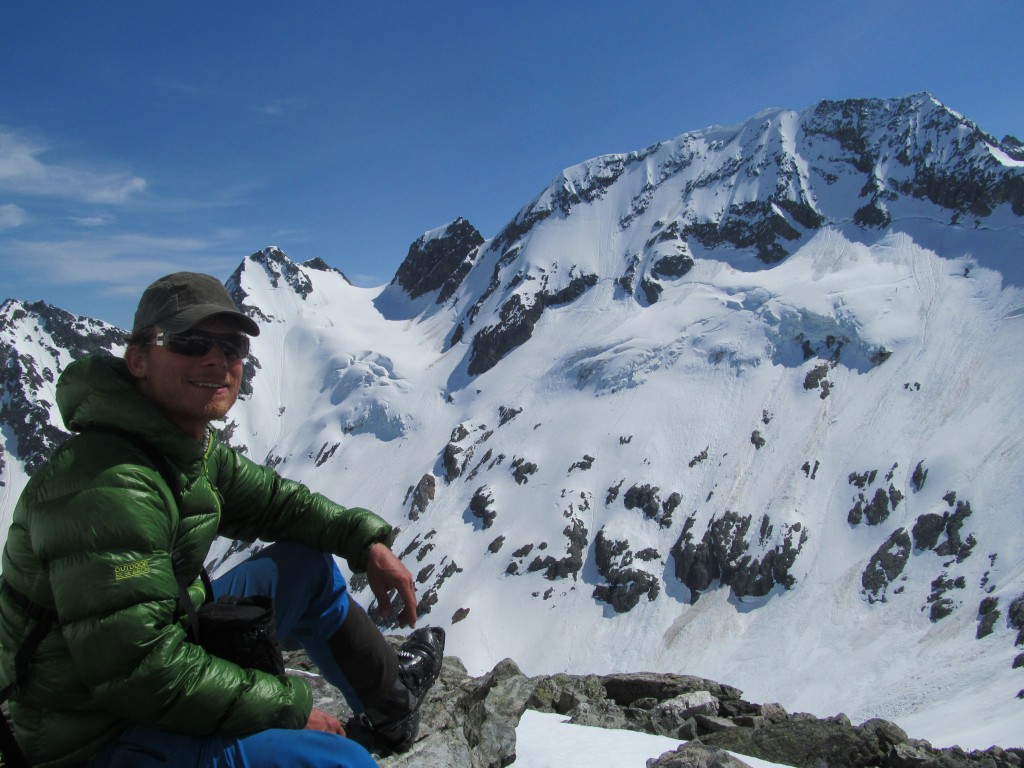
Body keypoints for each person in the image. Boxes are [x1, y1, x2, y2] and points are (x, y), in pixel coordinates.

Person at [0, 272, 445, 768]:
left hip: (162, 647)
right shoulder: (110, 487)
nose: (216, 360)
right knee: (341, 762)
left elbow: (279, 503)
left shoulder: (182, 446)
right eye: (190, 343)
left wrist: (367, 543)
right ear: (138, 359)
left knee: (306, 566)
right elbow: (142, 672)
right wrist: (291, 707)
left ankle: (392, 710)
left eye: (231, 346)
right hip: (98, 734)